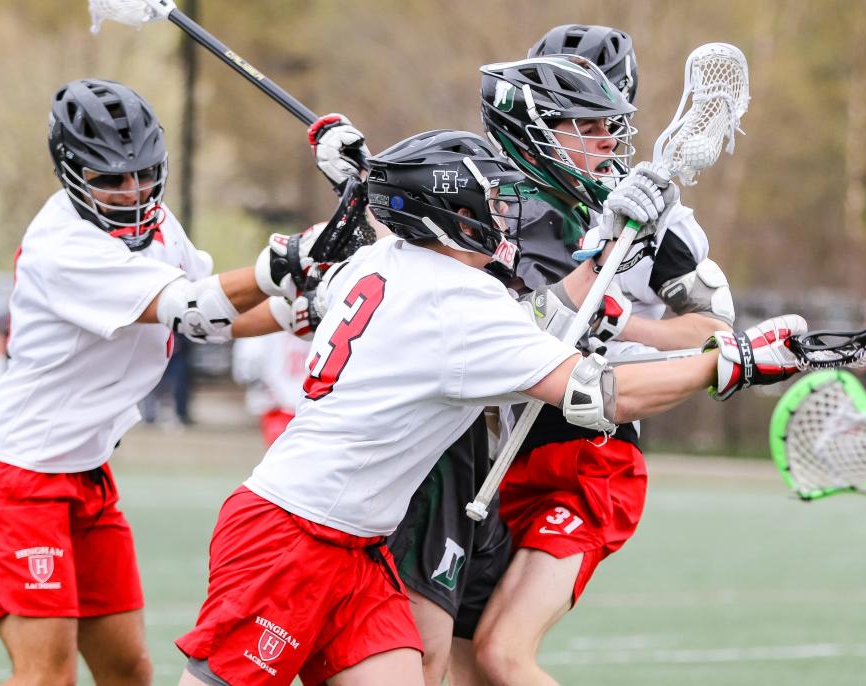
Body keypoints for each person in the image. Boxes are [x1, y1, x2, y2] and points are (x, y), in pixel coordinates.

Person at [173, 128, 804, 686]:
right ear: (450, 215)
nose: (503, 216)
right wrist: (730, 363)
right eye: (491, 203)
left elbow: (538, 316)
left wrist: (609, 243)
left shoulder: (375, 262)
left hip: (356, 549)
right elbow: (602, 395)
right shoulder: (458, 304)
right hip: (291, 537)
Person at [0, 78, 286, 685]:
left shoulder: (155, 218)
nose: (133, 191)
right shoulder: (63, 244)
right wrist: (288, 263)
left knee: (129, 670)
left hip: (86, 471)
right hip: (19, 476)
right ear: (71, 173)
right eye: (112, 179)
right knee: (47, 674)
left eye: (145, 174)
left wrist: (300, 308)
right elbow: (194, 306)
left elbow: (217, 320)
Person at [471, 49, 739, 685]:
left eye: (607, 121)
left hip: (593, 449)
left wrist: (623, 325)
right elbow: (506, 333)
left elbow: (713, 331)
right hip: (496, 454)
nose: (605, 139)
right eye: (584, 124)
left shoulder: (657, 217)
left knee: (501, 654)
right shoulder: (487, 209)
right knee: (462, 658)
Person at [231, 330, 314, 446]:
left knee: (283, 456)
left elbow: (249, 361)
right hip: (312, 402)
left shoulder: (264, 319)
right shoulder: (327, 317)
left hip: (279, 403)